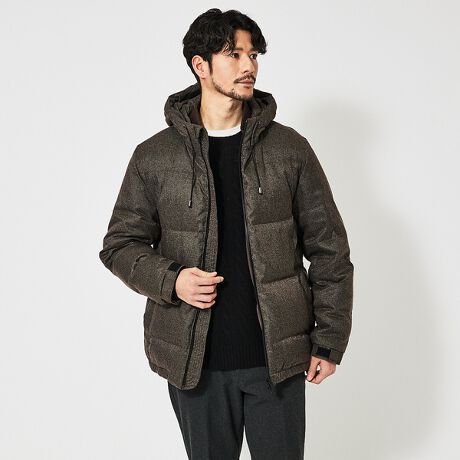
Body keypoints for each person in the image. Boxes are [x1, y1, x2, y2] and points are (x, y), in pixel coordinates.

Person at [99, 8, 354, 460]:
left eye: (253, 55)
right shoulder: (154, 157)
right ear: (200, 65)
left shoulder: (289, 149)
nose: (248, 65)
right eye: (233, 54)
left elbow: (329, 249)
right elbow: (119, 245)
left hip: (276, 361)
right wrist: (172, 280)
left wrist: (329, 340)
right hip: (194, 363)